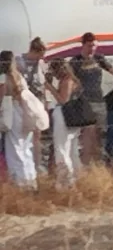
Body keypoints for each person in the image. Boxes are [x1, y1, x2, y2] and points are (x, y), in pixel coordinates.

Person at [71, 32, 112, 164]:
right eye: (89, 46)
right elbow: (71, 79)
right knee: (88, 136)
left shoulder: (100, 58)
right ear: (83, 45)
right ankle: (87, 164)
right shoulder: (75, 61)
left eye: (94, 46)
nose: (92, 49)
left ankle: (98, 163)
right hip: (85, 103)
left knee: (100, 134)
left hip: (99, 101)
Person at [46, 59, 83, 187]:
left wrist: (50, 87)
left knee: (62, 148)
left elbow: (63, 100)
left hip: (64, 115)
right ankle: (74, 178)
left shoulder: (67, 81)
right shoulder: (70, 80)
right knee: (72, 149)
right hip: (71, 117)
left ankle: (65, 181)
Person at [2, 52, 38, 188]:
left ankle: (19, 183)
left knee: (14, 148)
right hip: (25, 112)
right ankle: (31, 180)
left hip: (12, 112)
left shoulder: (4, 78)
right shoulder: (20, 77)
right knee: (26, 148)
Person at [16, 38, 48, 175]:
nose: (41, 58)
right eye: (40, 54)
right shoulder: (19, 62)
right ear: (35, 51)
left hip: (38, 101)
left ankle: (37, 164)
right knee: (24, 133)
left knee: (37, 134)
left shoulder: (40, 64)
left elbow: (43, 84)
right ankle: (25, 164)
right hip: (24, 102)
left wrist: (46, 102)